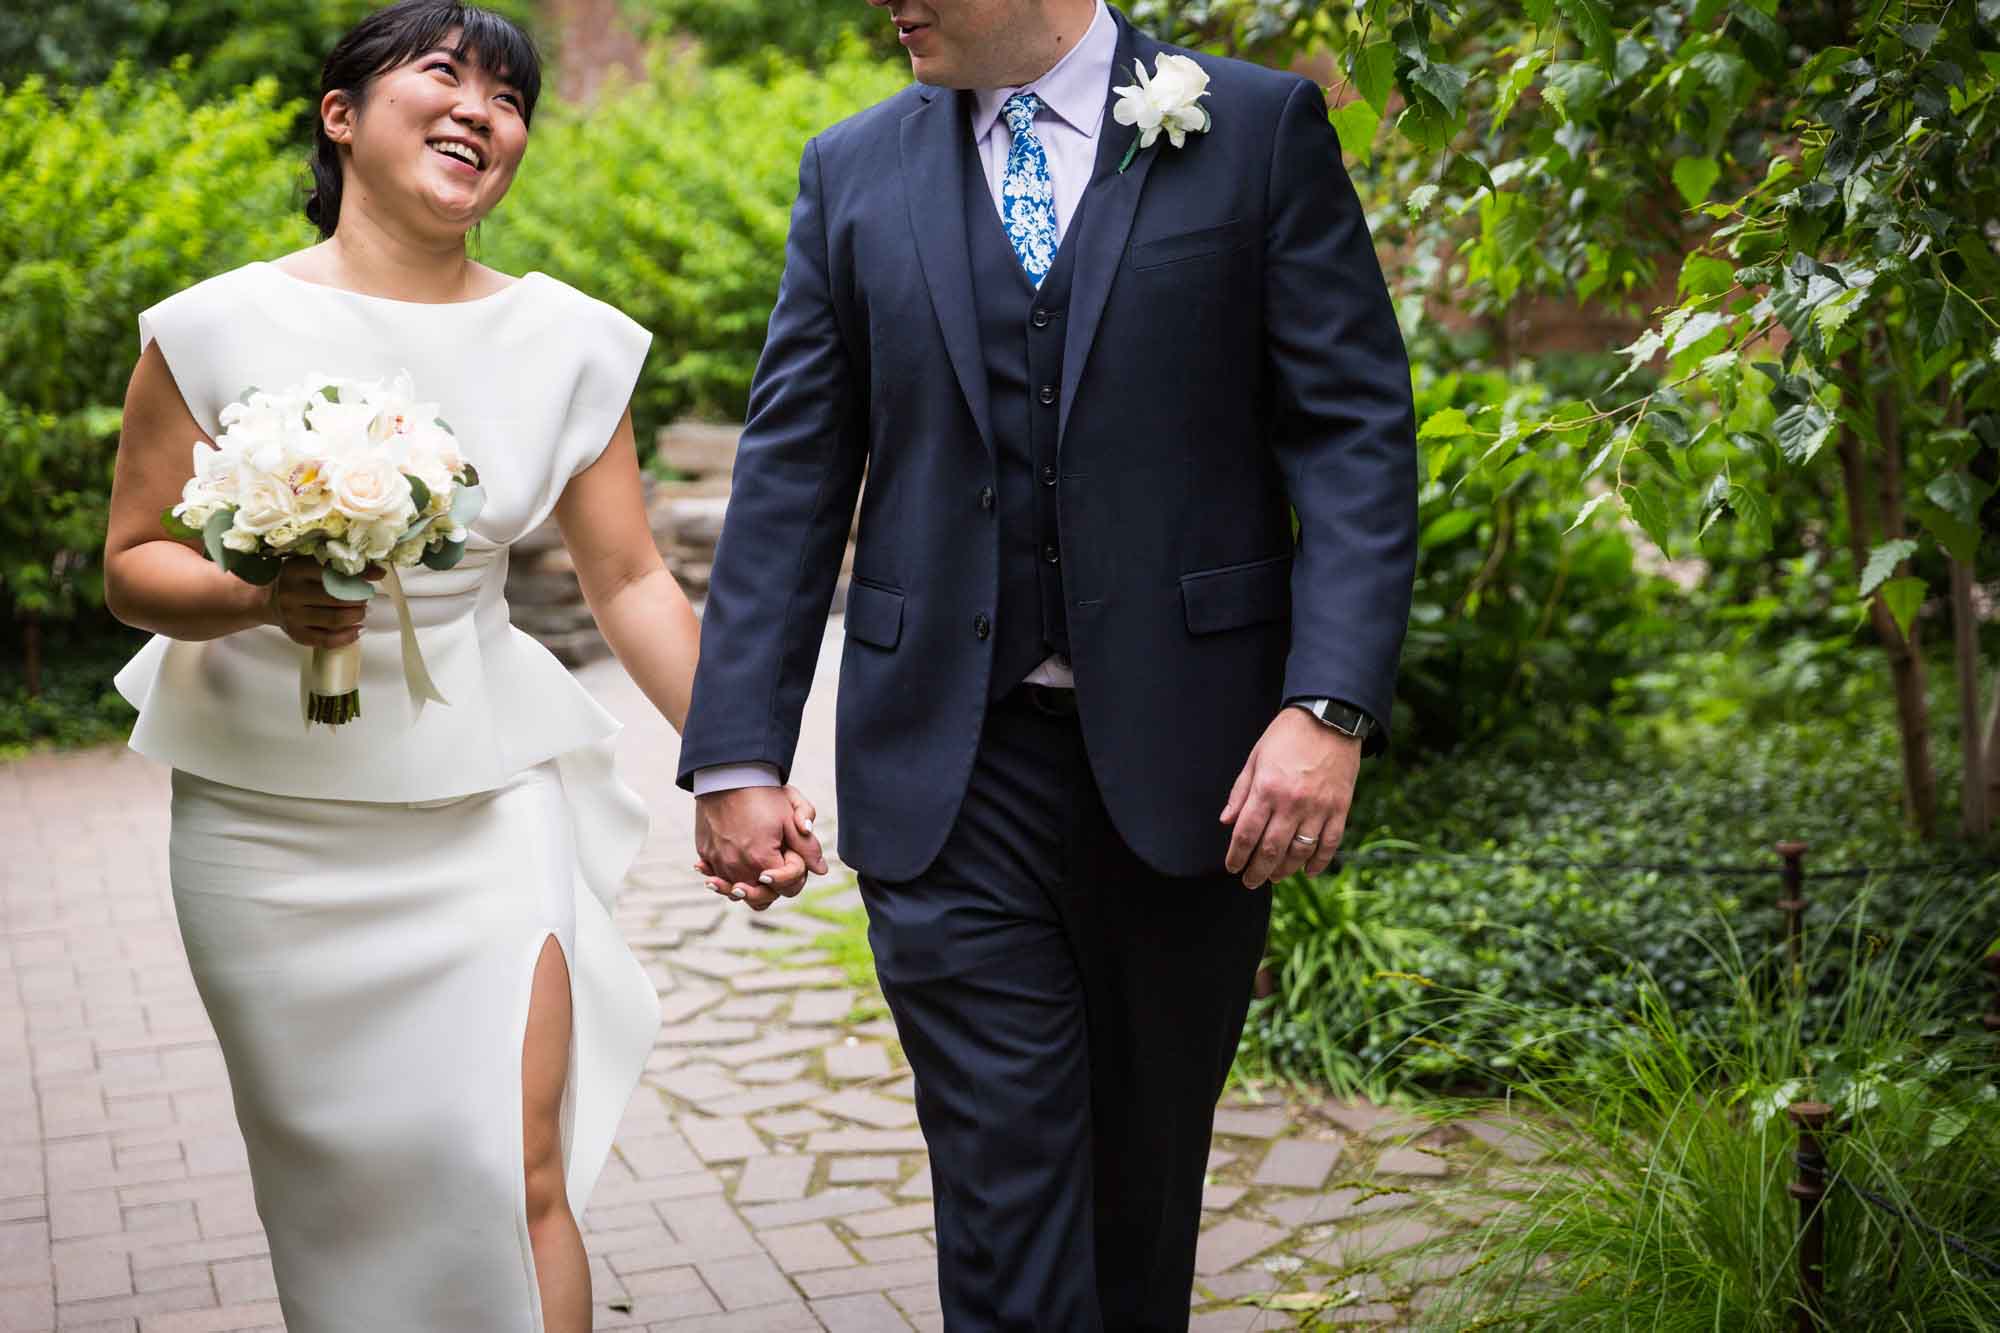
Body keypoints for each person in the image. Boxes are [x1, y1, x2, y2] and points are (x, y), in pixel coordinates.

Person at [679, 0, 1419, 1326]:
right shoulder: (852, 169)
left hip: (1195, 768)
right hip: (949, 774)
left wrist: (1329, 702)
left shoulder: (1252, 129)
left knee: (1143, 1206)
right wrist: (739, 749)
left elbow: (1352, 431)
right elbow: (793, 471)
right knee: (1006, 1200)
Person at [103, 4, 818, 1328]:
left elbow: (632, 582)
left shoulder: (568, 342)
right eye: (442, 73)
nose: (480, 107)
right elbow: (130, 564)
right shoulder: (207, 329)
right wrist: (262, 592)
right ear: (340, 115)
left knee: (510, 1165)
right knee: (337, 1195)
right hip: (265, 834)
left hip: (486, 809)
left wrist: (740, 760)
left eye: (509, 94)